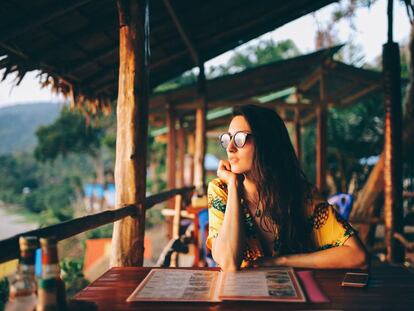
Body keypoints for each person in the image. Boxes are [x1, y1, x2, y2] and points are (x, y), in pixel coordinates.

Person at [206, 104, 367, 271]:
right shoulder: (222, 189)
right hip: (237, 294)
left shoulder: (301, 194)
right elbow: (229, 263)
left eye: (240, 139)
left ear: (266, 143)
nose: (230, 148)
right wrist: (233, 186)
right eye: (227, 139)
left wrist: (280, 261)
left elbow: (358, 256)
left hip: (294, 292)